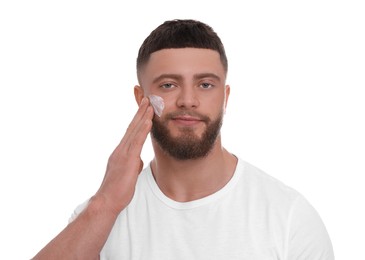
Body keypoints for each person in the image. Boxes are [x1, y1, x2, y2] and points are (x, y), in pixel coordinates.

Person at [33, 19, 334, 259]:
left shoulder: (288, 218)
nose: (188, 100)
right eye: (168, 84)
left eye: (205, 84)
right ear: (142, 98)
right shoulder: (99, 218)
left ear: (224, 97)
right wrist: (106, 204)